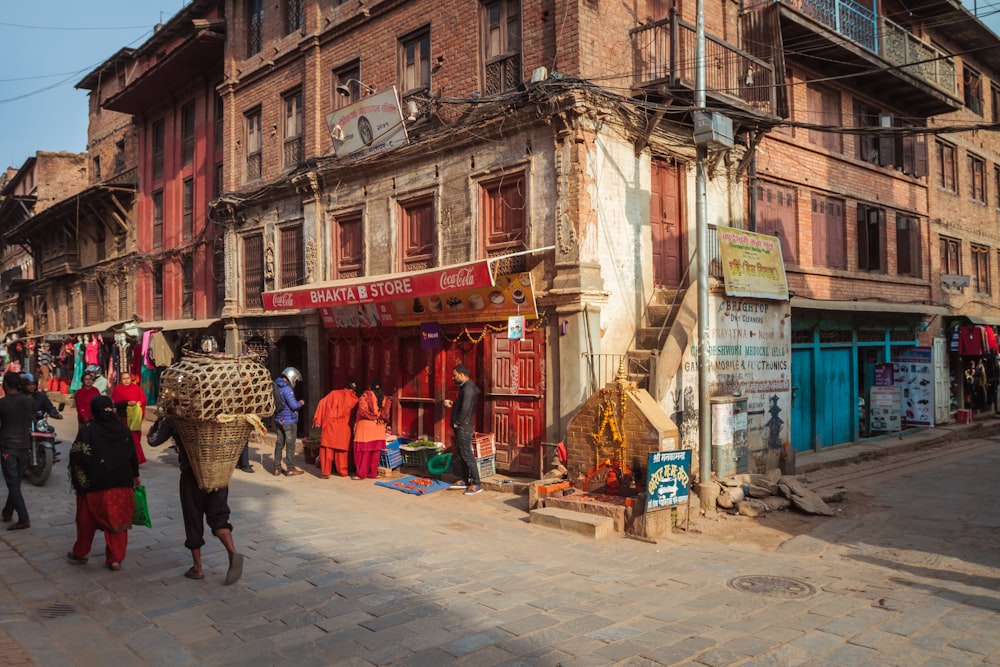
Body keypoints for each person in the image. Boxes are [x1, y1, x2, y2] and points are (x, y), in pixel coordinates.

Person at [146, 413, 244, 584]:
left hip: (192, 475)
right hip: (218, 472)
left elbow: (153, 440)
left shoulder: (176, 416)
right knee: (219, 517)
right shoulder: (222, 412)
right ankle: (232, 552)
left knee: (193, 519)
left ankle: (198, 568)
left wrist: (160, 420)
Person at [66, 396, 140, 571]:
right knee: (118, 522)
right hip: (122, 483)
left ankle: (81, 552)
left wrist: (80, 480)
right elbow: (132, 455)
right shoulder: (123, 429)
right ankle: (115, 559)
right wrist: (135, 476)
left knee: (86, 520)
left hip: (94, 484)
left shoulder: (88, 430)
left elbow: (78, 455)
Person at [0, 373, 34, 530]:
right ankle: (7, 512)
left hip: (9, 447)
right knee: (15, 482)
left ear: (6, 385)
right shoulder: (28, 400)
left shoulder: (3, 403)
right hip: (24, 446)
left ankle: (23, 518)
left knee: (13, 484)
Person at [444, 363, 482, 495]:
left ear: (461, 374)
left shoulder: (469, 389)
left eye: (454, 376)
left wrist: (457, 423)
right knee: (461, 454)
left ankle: (476, 483)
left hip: (464, 427)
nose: (453, 378)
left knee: (467, 455)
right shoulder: (464, 388)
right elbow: (462, 406)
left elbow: (466, 409)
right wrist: (453, 405)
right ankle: (465, 479)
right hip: (462, 426)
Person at [312, 380, 359, 478]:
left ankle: (325, 473)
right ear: (353, 390)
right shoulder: (354, 399)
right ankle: (343, 472)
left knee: (326, 450)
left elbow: (322, 403)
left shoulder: (333, 393)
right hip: (344, 428)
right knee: (342, 452)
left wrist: (318, 420)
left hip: (329, 426)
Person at [353, 379, 391, 480]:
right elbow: (386, 415)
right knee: (375, 452)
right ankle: (373, 474)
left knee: (364, 452)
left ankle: (361, 474)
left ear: (370, 387)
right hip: (379, 427)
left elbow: (362, 410)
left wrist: (372, 417)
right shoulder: (386, 399)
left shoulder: (366, 395)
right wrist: (378, 419)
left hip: (366, 427)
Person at [273, 367, 305, 476]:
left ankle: (277, 468)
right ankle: (290, 468)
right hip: (289, 421)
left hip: (279, 419)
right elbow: (293, 405)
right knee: (290, 444)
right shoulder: (287, 389)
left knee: (279, 443)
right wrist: (301, 402)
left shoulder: (276, 386)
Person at [111, 372, 147, 465]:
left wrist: (139, 402)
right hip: (123, 418)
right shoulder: (117, 390)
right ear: (121, 380)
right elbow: (114, 404)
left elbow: (143, 399)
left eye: (128, 378)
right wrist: (127, 403)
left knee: (135, 438)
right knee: (125, 439)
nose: (126, 380)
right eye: (124, 379)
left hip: (134, 418)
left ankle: (136, 459)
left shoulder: (136, 388)